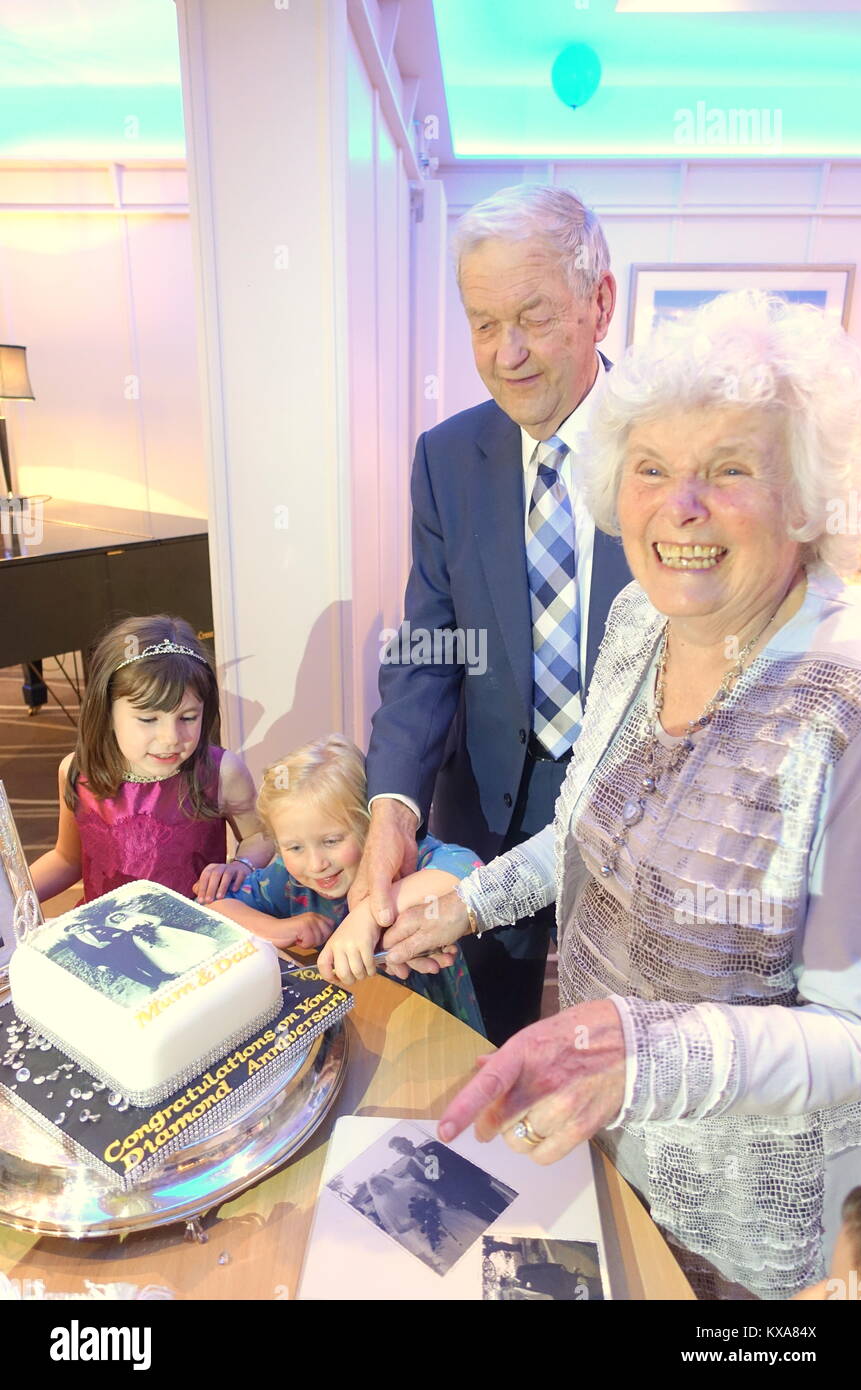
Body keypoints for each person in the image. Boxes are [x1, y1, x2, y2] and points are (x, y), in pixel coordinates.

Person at [381, 290, 861, 1299]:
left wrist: (640, 1055)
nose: (677, 507)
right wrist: (467, 898)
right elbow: (584, 829)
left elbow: (851, 1038)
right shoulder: (635, 620)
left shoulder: (844, 704)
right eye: (650, 468)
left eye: (729, 470)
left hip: (740, 1221)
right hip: (598, 1137)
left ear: (803, 495)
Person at [354, 185, 633, 1045]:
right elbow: (432, 646)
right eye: (483, 324)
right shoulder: (447, 458)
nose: (506, 354)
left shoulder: (670, 451)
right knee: (480, 1037)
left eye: (533, 317)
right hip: (484, 810)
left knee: (607, 1038)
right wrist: (391, 810)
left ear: (600, 303)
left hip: (627, 817)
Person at [203, 733, 484, 1031]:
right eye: (295, 847)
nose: (315, 864)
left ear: (370, 825)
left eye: (332, 840)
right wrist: (281, 929)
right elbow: (219, 909)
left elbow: (470, 868)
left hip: (432, 1022)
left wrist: (367, 916)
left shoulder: (406, 856)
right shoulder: (288, 878)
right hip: (355, 1028)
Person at [28, 615, 272, 904]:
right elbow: (66, 859)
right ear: (106, 712)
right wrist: (12, 900)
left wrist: (240, 866)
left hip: (194, 936)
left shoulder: (221, 773)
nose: (171, 737)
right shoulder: (78, 772)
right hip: (107, 933)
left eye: (188, 717)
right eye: (148, 719)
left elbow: (260, 836)